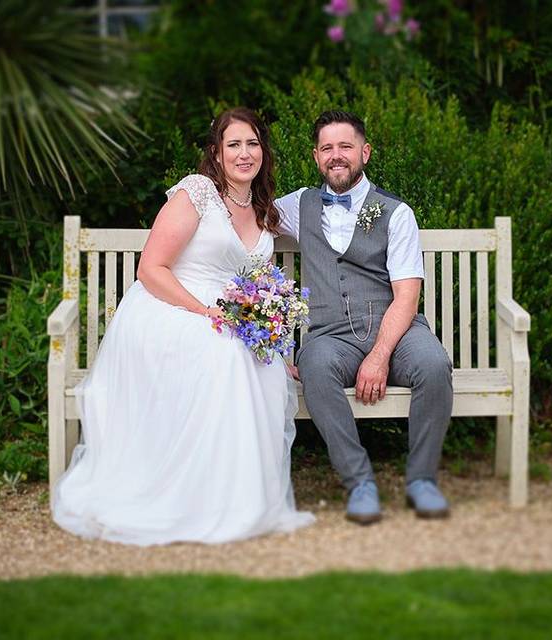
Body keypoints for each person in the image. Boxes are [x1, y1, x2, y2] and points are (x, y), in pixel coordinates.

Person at [51, 107, 315, 545]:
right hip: (169, 308)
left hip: (227, 320)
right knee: (226, 353)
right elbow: (151, 269)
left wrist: (277, 348)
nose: (245, 153)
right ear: (216, 152)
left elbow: (257, 294)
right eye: (234, 144)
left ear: (264, 152)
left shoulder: (265, 208)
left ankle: (232, 500)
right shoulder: (196, 194)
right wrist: (204, 312)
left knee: (259, 364)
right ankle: (189, 501)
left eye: (253, 144)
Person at [275, 110, 454, 525]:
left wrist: (379, 355)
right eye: (327, 148)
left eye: (345, 146)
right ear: (317, 156)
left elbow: (407, 297)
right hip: (331, 335)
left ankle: (422, 479)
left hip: (396, 328)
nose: (336, 156)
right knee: (314, 367)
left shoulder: (396, 212)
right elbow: (242, 210)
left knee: (434, 364)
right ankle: (360, 483)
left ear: (365, 152)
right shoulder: (297, 205)